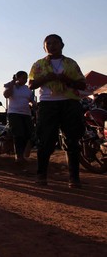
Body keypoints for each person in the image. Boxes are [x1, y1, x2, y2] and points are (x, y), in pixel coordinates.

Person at [28, 34, 86, 188]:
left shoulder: (71, 63)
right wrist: (47, 77)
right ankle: (41, 176)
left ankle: (74, 178)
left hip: (70, 103)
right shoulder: (38, 64)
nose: (52, 45)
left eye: (55, 43)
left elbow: (82, 85)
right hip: (48, 104)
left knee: (72, 141)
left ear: (62, 45)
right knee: (45, 141)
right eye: (48, 43)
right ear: (44, 47)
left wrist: (66, 80)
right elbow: (31, 85)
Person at [3, 71, 36, 163]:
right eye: (23, 78)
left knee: (28, 134)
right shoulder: (10, 86)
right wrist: (13, 83)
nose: (25, 80)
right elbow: (6, 95)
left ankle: (24, 154)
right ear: (17, 77)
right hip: (14, 113)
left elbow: (31, 100)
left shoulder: (28, 89)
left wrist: (33, 104)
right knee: (18, 134)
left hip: (26, 113)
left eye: (26, 78)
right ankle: (18, 155)